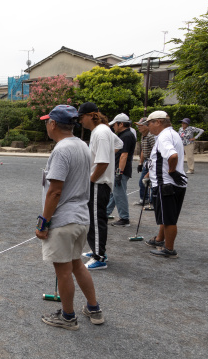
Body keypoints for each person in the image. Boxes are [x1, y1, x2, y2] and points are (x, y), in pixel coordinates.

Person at [36, 105, 104, 330]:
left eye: (47, 121)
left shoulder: (61, 150)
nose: (46, 125)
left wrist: (43, 222)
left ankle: (68, 317)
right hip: (81, 218)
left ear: (53, 124)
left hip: (64, 219)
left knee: (64, 271)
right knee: (77, 265)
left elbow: (55, 191)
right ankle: (94, 309)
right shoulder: (82, 145)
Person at [78, 102, 123, 270]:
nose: (80, 121)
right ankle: (96, 249)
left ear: (91, 115)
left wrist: (90, 180)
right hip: (99, 181)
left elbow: (103, 162)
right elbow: (119, 145)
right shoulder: (103, 130)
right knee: (94, 218)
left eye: (81, 117)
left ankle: (99, 256)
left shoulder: (101, 133)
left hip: (98, 183)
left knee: (97, 220)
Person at [143, 111, 187, 258]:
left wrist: (171, 170)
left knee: (169, 219)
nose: (148, 127)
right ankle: (160, 239)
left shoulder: (163, 137)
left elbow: (172, 155)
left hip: (165, 184)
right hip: (173, 183)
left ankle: (169, 249)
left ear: (158, 122)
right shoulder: (173, 133)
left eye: (149, 123)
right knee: (166, 216)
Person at [106, 113, 136, 227]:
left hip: (121, 170)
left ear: (121, 124)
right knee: (115, 194)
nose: (113, 127)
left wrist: (119, 172)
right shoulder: (126, 135)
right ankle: (105, 213)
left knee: (119, 194)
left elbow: (124, 155)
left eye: (115, 124)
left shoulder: (126, 136)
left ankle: (124, 218)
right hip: (121, 169)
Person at [134, 118, 156, 207]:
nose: (138, 127)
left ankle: (152, 201)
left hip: (152, 161)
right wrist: (140, 163)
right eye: (137, 125)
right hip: (147, 161)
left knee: (151, 181)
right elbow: (143, 150)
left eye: (140, 125)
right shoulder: (143, 135)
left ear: (147, 126)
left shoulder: (151, 136)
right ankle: (144, 199)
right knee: (142, 182)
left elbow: (156, 150)